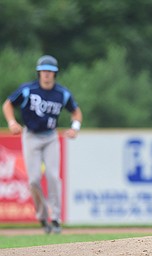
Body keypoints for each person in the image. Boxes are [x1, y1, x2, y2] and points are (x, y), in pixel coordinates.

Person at [2, 55, 83, 234]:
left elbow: (76, 112)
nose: (47, 75)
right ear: (39, 72)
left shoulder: (62, 93)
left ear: (55, 74)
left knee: (54, 177)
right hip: (30, 135)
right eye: (44, 71)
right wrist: (12, 122)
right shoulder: (28, 90)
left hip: (50, 137)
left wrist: (75, 128)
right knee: (34, 180)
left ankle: (55, 218)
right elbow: (8, 104)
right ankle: (42, 215)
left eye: (50, 72)